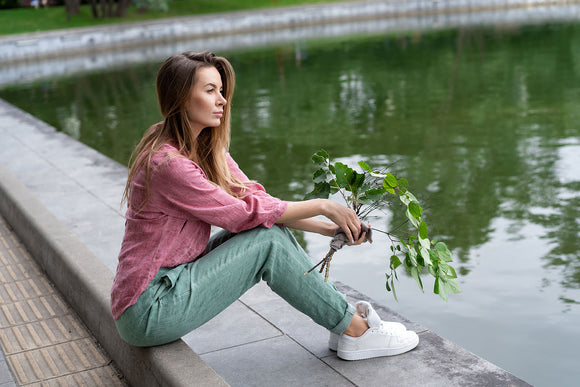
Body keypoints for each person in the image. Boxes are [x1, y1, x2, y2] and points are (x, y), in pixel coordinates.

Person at [110, 51, 419, 361]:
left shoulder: (197, 147)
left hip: (168, 285)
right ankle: (356, 330)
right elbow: (244, 215)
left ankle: (347, 325)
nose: (222, 101)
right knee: (267, 242)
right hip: (149, 308)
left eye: (221, 90)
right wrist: (324, 206)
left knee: (269, 233)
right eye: (209, 91)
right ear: (180, 98)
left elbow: (258, 203)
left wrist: (328, 229)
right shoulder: (169, 163)